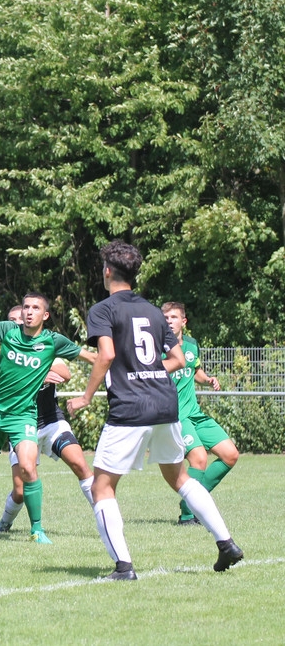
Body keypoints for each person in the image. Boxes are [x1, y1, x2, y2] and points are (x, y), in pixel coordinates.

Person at [66, 241, 243, 580]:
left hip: (130, 408)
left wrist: (86, 397)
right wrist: (147, 371)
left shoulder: (102, 310)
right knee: (179, 477)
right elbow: (177, 359)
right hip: (165, 404)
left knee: (102, 487)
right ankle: (226, 543)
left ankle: (124, 567)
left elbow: (106, 355)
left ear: (107, 271)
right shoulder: (152, 311)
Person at [0, 293, 94, 544]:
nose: (29, 312)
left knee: (29, 468)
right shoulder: (8, 331)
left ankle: (37, 530)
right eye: (26, 307)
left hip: (25, 416)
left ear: (45, 315)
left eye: (35, 308)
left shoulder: (53, 341)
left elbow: (92, 358)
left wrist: (115, 358)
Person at [0, 306, 95, 535]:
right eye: (13, 321)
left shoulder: (46, 347)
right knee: (20, 491)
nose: (19, 323)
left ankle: (105, 515)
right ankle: (4, 524)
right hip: (20, 425)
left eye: (21, 319)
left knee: (80, 464)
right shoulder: (2, 358)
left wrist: (38, 367)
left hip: (51, 421)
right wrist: (40, 372)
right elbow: (13, 381)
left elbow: (65, 374)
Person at [161, 301, 240, 526]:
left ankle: (194, 498)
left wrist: (207, 379)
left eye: (173, 317)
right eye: (165, 318)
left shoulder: (191, 345)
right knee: (199, 458)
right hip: (175, 416)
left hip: (195, 414)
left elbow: (194, 370)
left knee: (230, 455)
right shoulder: (157, 348)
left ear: (183, 321)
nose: (169, 322)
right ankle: (188, 514)